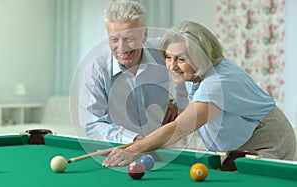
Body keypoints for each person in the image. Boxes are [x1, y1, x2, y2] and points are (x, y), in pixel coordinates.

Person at [102, 20, 296, 167]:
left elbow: (178, 129)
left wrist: (132, 151)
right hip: (241, 144)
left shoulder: (217, 83)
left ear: (200, 56)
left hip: (268, 142)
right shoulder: (197, 72)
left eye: (180, 59)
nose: (171, 66)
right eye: (168, 57)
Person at [78, 0, 188, 144]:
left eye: (129, 38)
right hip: (121, 150)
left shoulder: (163, 51)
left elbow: (191, 71)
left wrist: (180, 102)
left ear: (145, 34)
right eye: (114, 39)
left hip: (165, 145)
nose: (121, 48)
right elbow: (92, 124)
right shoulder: (95, 69)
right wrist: (136, 141)